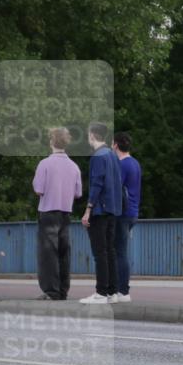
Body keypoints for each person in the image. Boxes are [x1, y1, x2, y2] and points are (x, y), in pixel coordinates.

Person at [32, 127, 82, 300]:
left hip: (48, 212)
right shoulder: (74, 166)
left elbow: (38, 190)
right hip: (65, 213)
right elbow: (77, 193)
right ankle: (63, 290)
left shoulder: (44, 164)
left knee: (48, 253)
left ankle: (51, 291)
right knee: (63, 252)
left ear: (51, 141)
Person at [79, 122, 123, 304]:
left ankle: (101, 292)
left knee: (100, 253)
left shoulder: (98, 157)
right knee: (110, 251)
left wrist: (88, 209)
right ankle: (113, 291)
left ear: (92, 135)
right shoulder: (112, 155)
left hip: (100, 210)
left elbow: (97, 184)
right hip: (113, 209)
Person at [112, 132, 142, 303]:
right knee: (120, 251)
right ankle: (121, 289)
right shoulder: (135, 163)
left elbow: (115, 188)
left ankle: (122, 291)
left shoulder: (121, 165)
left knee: (119, 252)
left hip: (122, 213)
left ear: (116, 145)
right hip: (132, 211)